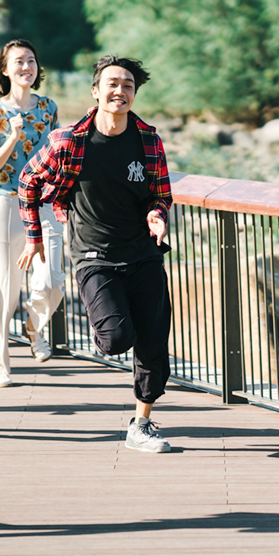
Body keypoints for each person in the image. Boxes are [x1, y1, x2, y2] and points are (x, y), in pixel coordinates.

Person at [17, 56, 175, 453]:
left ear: (134, 94)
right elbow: (27, 181)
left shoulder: (148, 141)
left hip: (143, 251)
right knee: (116, 338)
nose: (119, 91)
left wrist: (157, 216)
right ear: (96, 91)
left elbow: (160, 196)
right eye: (112, 84)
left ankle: (142, 423)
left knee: (154, 343)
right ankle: (108, 320)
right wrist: (34, 236)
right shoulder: (68, 141)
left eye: (127, 86)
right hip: (93, 254)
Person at [0, 39, 62, 387]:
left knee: (52, 281)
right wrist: (12, 137)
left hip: (43, 203)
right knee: (4, 289)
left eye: (31, 61)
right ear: (5, 70)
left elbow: (57, 155)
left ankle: (33, 327)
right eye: (18, 62)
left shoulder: (49, 107)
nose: (27, 67)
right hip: (7, 202)